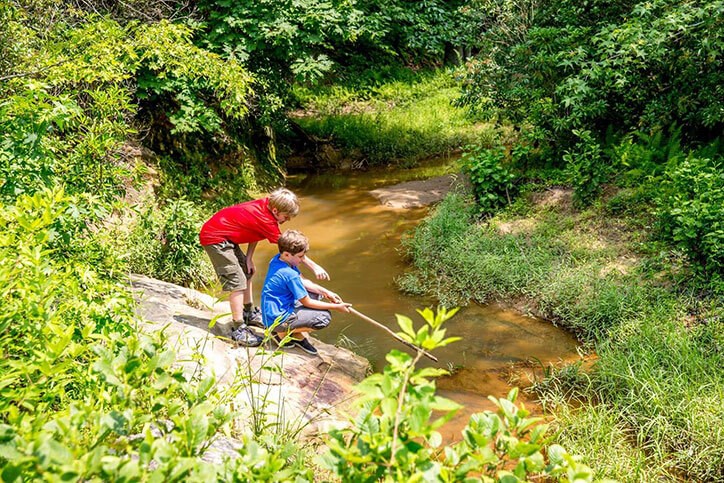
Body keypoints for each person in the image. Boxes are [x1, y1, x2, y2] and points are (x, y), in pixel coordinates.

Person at [199, 188, 330, 347]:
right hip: (215, 238)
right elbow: (290, 249)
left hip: (227, 237)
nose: (287, 220)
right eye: (286, 217)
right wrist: (314, 266)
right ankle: (238, 328)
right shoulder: (265, 219)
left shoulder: (266, 206)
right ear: (275, 210)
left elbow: (255, 231)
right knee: (237, 280)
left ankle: (248, 312)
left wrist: (249, 258)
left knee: (247, 272)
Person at [261, 230, 351, 355]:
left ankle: (291, 330)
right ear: (287, 254)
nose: (303, 260)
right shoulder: (289, 274)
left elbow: (302, 281)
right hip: (276, 318)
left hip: (276, 309)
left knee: (316, 293)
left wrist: (327, 292)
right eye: (300, 256)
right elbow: (307, 302)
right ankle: (281, 331)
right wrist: (336, 307)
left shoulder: (278, 260)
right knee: (323, 318)